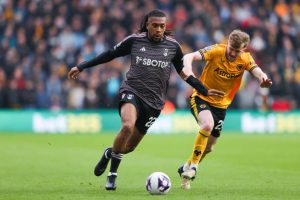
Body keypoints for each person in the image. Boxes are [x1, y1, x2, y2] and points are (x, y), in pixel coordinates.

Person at [67, 9, 224, 191]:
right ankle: (112, 175)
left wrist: (203, 89)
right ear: (147, 25)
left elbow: (184, 73)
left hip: (154, 103)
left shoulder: (173, 47)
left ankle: (110, 153)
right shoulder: (135, 40)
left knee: (128, 148)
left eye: (162, 26)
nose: (158, 29)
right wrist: (82, 66)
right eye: (155, 25)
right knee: (127, 126)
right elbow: (110, 54)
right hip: (132, 91)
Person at [178, 29, 272, 189]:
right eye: (231, 48)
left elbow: (256, 70)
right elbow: (189, 56)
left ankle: (185, 168)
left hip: (221, 106)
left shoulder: (245, 59)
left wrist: (262, 78)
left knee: (209, 147)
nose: (233, 53)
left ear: (243, 49)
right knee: (207, 125)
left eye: (237, 50)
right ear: (227, 43)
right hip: (201, 98)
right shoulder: (216, 50)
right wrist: (188, 68)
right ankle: (193, 167)